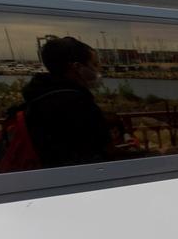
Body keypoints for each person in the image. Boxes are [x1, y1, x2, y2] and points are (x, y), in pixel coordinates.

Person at [22, 36, 114, 168]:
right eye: (94, 64)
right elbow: (99, 149)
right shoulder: (78, 104)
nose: (99, 69)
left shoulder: (37, 96)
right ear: (77, 67)